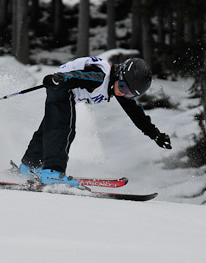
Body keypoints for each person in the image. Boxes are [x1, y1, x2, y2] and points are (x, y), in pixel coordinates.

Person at [19, 56, 172, 188]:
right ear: (119, 74)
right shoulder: (100, 77)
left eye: (129, 93)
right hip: (62, 86)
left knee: (49, 127)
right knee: (63, 128)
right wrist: (60, 79)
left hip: (62, 87)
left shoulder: (116, 85)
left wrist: (155, 134)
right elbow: (79, 76)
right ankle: (52, 172)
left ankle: (29, 165)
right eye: (124, 88)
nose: (123, 93)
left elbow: (135, 113)